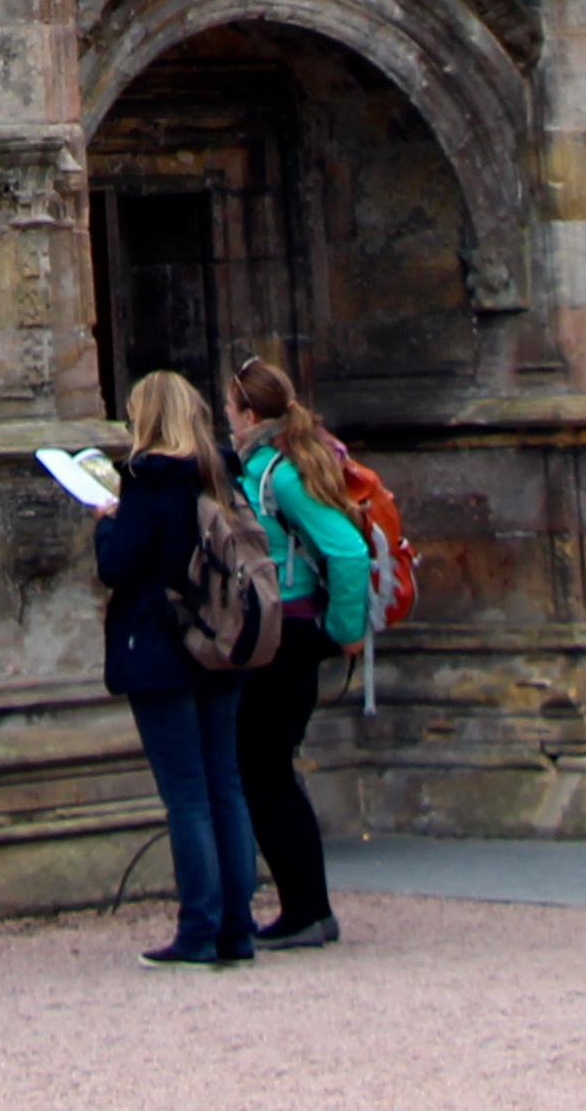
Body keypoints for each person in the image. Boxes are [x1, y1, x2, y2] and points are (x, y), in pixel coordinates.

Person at [92, 367, 262, 966]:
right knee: (225, 785)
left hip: (161, 645)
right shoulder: (220, 470)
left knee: (187, 793)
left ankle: (198, 927)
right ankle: (237, 928)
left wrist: (105, 527)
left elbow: (119, 566)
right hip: (221, 639)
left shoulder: (146, 478)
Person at [227, 354, 377, 951]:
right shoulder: (272, 465)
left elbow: (345, 551)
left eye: (232, 411)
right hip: (279, 634)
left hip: (286, 637)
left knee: (266, 773)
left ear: (250, 413)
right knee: (265, 771)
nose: (228, 423)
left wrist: (344, 631)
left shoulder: (279, 474)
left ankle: (307, 909)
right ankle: (302, 906)